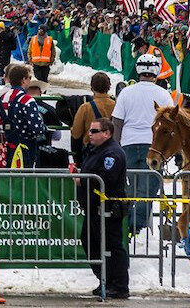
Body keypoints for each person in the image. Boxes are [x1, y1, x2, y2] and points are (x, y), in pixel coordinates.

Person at [112, 54, 174, 234]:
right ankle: (136, 227)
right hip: (153, 147)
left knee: (128, 188)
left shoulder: (126, 92)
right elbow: (171, 125)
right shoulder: (163, 94)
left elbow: (117, 122)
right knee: (147, 191)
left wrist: (116, 147)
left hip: (128, 144)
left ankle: (126, 226)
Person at [78, 117, 129, 299]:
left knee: (113, 245)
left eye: (94, 131)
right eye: (90, 131)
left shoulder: (111, 154)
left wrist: (82, 180)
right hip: (94, 207)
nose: (90, 134)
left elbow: (105, 178)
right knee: (91, 241)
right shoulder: (97, 150)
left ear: (106, 133)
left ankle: (120, 285)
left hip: (108, 208)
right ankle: (106, 280)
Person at [0, 63, 48, 167]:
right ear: (23, 80)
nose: (30, 81)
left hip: (7, 148)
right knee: (24, 180)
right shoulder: (27, 100)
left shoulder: (0, 100)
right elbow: (36, 128)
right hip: (25, 148)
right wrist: (44, 128)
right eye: (29, 78)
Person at [70, 72, 116, 161]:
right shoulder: (116, 106)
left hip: (91, 152)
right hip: (112, 150)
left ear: (92, 88)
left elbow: (76, 134)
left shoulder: (85, 108)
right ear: (109, 87)